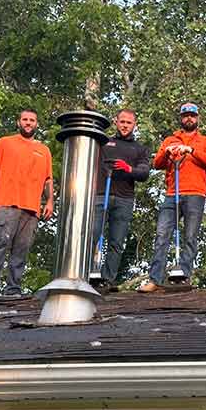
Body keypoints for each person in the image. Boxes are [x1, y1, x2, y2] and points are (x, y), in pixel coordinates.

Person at [139, 103, 206, 293]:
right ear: (181, 119)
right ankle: (155, 279)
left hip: (196, 193)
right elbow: (157, 164)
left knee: (190, 236)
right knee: (161, 234)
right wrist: (166, 152)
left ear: (197, 118)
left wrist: (191, 150)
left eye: (192, 115)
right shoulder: (170, 139)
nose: (189, 118)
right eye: (185, 116)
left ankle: (183, 275)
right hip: (172, 193)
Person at [0, 108, 53, 298]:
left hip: (32, 209)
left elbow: (48, 179)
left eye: (32, 120)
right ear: (18, 122)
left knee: (21, 249)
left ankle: (13, 288)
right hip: (6, 203)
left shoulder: (43, 150)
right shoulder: (5, 143)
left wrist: (50, 201)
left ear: (37, 124)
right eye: (25, 119)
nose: (28, 123)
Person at [91, 109, 150, 290]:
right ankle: (87, 274)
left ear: (134, 125)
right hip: (101, 195)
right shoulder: (104, 143)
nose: (125, 125)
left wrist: (128, 169)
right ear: (116, 122)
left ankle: (108, 280)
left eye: (129, 123)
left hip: (124, 199)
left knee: (116, 241)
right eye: (122, 122)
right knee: (93, 236)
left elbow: (144, 173)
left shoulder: (139, 149)